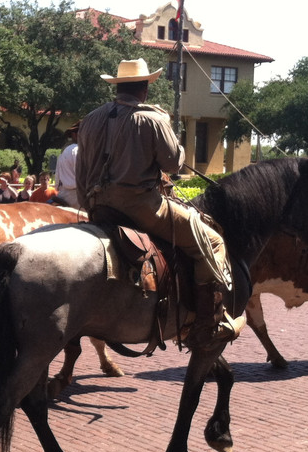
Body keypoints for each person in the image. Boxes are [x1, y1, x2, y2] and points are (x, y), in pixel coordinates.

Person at [76, 57, 236, 348]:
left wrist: (90, 204)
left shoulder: (91, 119)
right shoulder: (151, 118)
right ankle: (207, 321)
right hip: (142, 208)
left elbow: (82, 174)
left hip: (98, 206)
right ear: (145, 88)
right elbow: (173, 164)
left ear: (117, 86)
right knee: (213, 242)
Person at [56, 124, 80, 207]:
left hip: (62, 194)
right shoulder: (77, 150)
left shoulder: (63, 152)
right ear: (75, 134)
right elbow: (81, 175)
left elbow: (57, 180)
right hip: (76, 197)